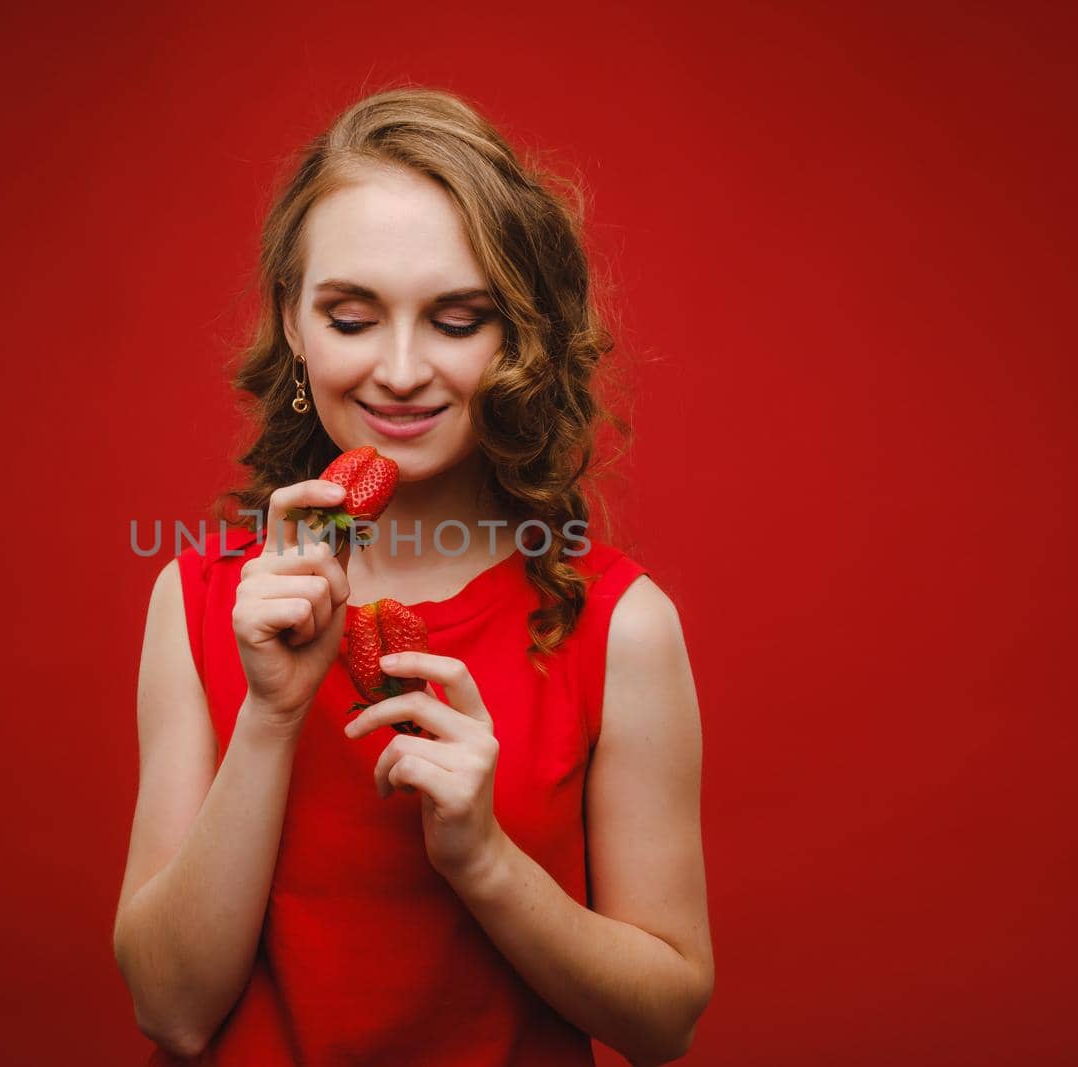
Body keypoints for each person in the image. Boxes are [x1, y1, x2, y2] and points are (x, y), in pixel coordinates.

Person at [113, 86, 712, 1066]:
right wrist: (269, 717)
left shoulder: (620, 623)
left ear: (519, 336)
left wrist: (483, 859)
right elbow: (169, 1010)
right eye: (351, 317)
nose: (398, 369)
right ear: (295, 327)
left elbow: (664, 1019)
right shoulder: (196, 599)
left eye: (456, 318)